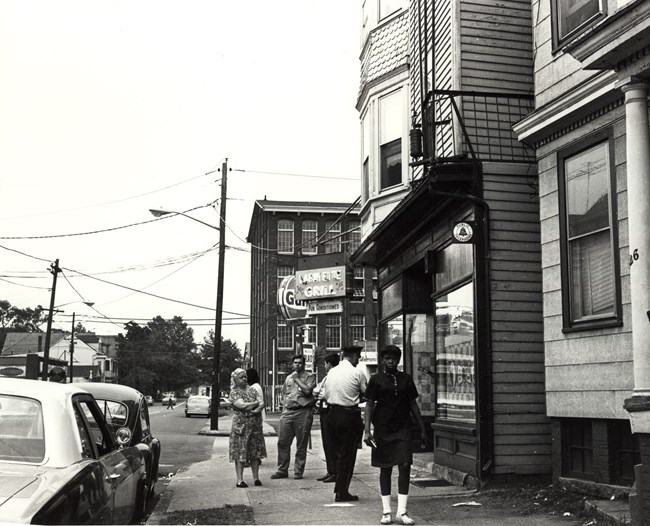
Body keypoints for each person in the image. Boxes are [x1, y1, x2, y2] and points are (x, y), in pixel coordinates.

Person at [363, 345, 427, 526]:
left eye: (394, 358)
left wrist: (422, 428)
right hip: (383, 428)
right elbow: (369, 405)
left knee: (405, 465)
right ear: (382, 360)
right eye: (387, 358)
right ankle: (386, 512)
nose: (390, 361)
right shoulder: (375, 380)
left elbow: (413, 405)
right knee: (386, 467)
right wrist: (367, 430)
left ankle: (402, 511)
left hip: (404, 428)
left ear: (398, 360)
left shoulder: (406, 379)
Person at [322, 345, 367, 502]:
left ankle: (338, 486)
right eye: (358, 357)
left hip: (332, 414)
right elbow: (365, 392)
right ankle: (342, 491)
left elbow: (325, 394)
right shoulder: (357, 372)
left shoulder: (331, 372)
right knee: (348, 455)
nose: (358, 360)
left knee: (337, 453)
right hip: (349, 415)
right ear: (354, 356)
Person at [270, 354, 316, 480]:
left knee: (301, 444)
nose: (297, 365)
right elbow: (285, 394)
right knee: (283, 442)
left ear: (304, 364)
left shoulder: (310, 377)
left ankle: (298, 471)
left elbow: (307, 391)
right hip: (288, 411)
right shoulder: (288, 378)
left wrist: (297, 379)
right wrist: (284, 409)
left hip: (302, 412)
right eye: (295, 363)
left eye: (300, 363)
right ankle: (282, 469)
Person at [228, 368, 266, 488]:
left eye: (245, 377)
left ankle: (256, 478)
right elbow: (242, 405)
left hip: (255, 425)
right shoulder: (234, 392)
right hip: (241, 427)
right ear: (235, 379)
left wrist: (254, 410)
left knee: (255, 452)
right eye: (241, 377)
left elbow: (262, 403)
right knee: (240, 452)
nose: (244, 379)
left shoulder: (253, 390)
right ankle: (240, 480)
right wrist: (255, 404)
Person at [312, 352, 340, 483]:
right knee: (326, 442)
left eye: (325, 363)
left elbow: (321, 392)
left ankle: (334, 471)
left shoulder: (332, 377)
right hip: (324, 410)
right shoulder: (327, 377)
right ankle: (330, 470)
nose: (324, 366)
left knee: (331, 442)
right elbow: (317, 390)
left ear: (329, 364)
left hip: (329, 409)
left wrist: (319, 393)